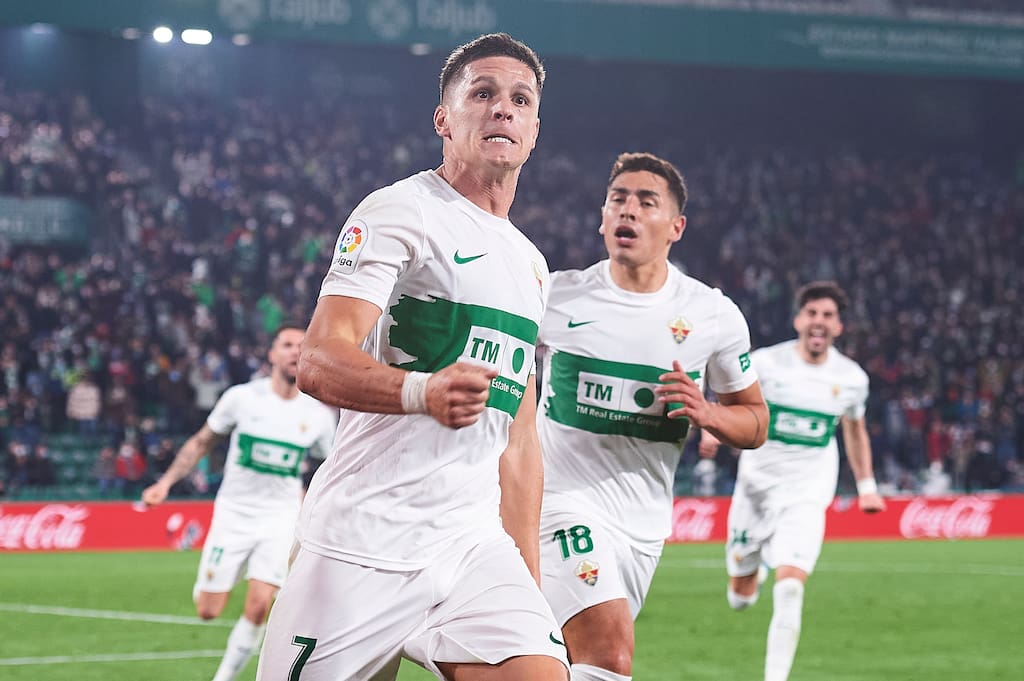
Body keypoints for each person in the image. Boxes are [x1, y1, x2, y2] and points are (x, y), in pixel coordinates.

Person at [254, 33, 569, 681]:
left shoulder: (532, 265)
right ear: (443, 120)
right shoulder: (401, 212)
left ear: (535, 130)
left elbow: (519, 445)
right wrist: (421, 391)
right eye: (482, 93)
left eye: (520, 100)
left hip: (470, 546)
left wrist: (529, 582)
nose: (503, 108)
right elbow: (318, 358)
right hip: (361, 542)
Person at [535, 152, 768, 681]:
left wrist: (707, 413)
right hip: (561, 503)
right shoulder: (556, 295)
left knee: (561, 663)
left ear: (675, 227)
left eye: (646, 202)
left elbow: (756, 423)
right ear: (602, 217)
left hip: (643, 525)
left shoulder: (711, 315)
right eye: (618, 199)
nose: (629, 210)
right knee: (609, 653)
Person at [703, 281, 887, 681]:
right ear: (798, 320)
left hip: (807, 492)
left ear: (838, 327)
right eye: (812, 313)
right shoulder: (765, 364)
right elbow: (728, 399)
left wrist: (867, 487)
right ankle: (753, 570)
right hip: (756, 488)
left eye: (828, 316)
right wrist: (712, 428)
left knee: (790, 587)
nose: (819, 321)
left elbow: (855, 430)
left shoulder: (851, 379)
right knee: (739, 597)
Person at [141, 324, 336, 681]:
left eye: (302, 345)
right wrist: (165, 483)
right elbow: (202, 442)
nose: (295, 351)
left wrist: (312, 504)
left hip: (281, 516)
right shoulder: (242, 398)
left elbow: (332, 466)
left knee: (261, 604)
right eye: (287, 345)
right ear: (272, 354)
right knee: (208, 609)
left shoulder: (318, 415)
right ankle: (209, 584)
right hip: (234, 513)